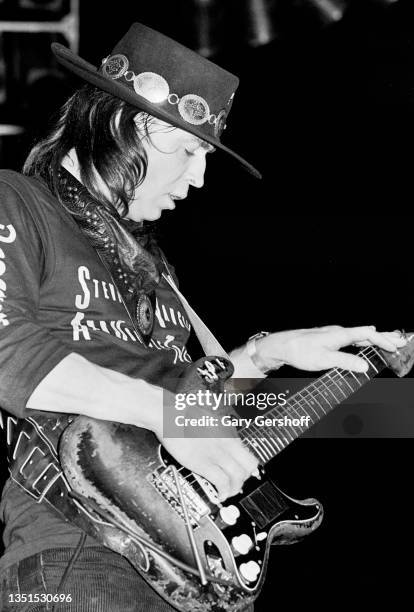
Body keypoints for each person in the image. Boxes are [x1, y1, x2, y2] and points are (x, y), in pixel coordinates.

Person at [0, 22, 405, 612]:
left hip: (185, 567)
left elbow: (191, 418)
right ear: (127, 124)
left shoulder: (158, 279)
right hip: (73, 555)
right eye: (191, 151)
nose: (198, 180)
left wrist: (265, 356)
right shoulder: (18, 201)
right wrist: (165, 414)